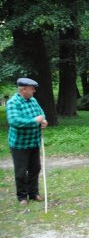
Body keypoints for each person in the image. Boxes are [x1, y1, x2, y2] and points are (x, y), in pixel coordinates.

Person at [6, 78, 48, 206]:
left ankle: (33, 193)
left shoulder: (33, 100)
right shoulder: (13, 103)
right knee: (21, 171)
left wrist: (43, 120)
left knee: (35, 168)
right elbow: (15, 121)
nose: (34, 91)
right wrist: (35, 121)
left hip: (33, 142)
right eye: (32, 88)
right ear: (23, 89)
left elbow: (41, 113)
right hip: (19, 144)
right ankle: (22, 196)